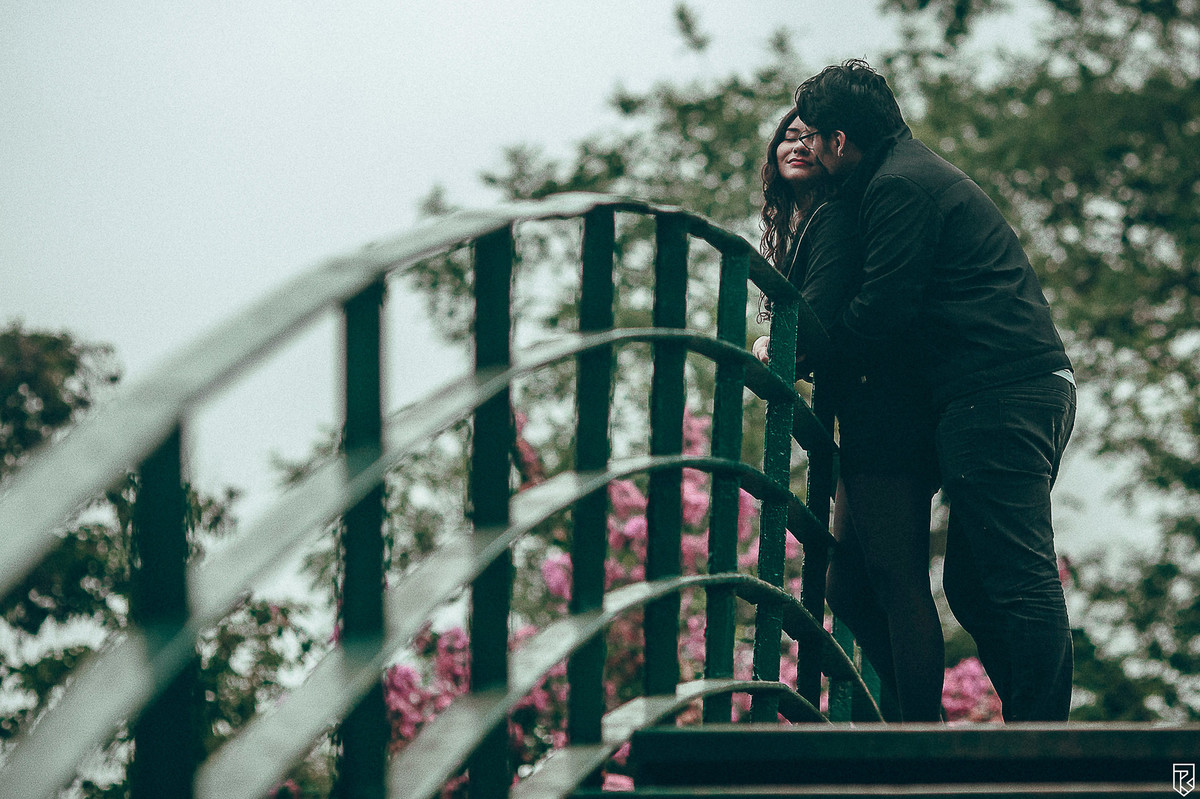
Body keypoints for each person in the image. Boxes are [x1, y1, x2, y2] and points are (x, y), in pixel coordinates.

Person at [793, 59, 1076, 722]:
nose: (809, 150)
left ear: (840, 142)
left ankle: (1043, 740)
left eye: (816, 137)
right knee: (973, 586)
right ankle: (1029, 728)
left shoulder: (899, 186)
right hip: (1004, 388)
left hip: (1000, 389)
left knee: (1014, 575)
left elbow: (884, 309)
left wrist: (812, 352)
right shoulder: (903, 175)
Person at [754, 107, 945, 722]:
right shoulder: (807, 223)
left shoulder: (835, 217)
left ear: (834, 147)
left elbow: (819, 314)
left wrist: (780, 346)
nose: (798, 143)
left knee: (894, 576)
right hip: (865, 411)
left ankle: (920, 730)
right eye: (787, 133)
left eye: (811, 135)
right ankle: (915, 720)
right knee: (852, 586)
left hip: (886, 409)